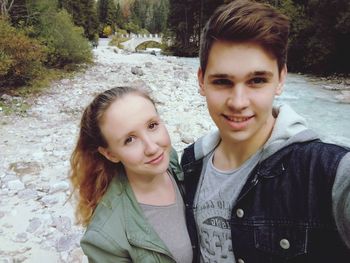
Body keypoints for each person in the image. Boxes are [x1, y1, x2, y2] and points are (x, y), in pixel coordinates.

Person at [180, 0, 350, 262]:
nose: (238, 102)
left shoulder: (327, 172)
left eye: (257, 81)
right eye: (222, 81)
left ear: (281, 78)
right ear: (201, 81)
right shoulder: (191, 164)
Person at [70, 86, 193, 263]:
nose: (152, 148)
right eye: (130, 139)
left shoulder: (170, 161)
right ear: (110, 154)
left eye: (152, 125)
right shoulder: (105, 238)